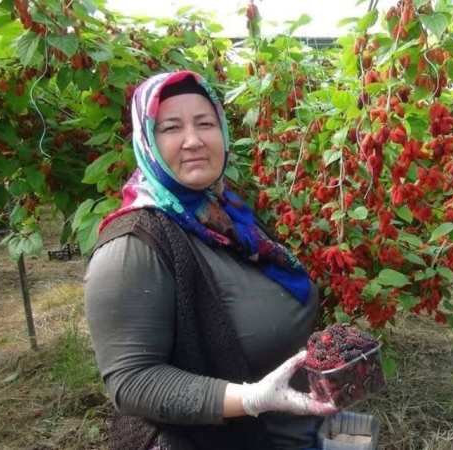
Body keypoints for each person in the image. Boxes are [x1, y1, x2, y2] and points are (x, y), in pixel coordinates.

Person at [83, 70, 338, 450]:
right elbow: (133, 382)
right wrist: (251, 399)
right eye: (171, 127)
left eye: (205, 123)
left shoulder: (224, 213)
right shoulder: (134, 245)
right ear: (147, 141)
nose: (193, 140)